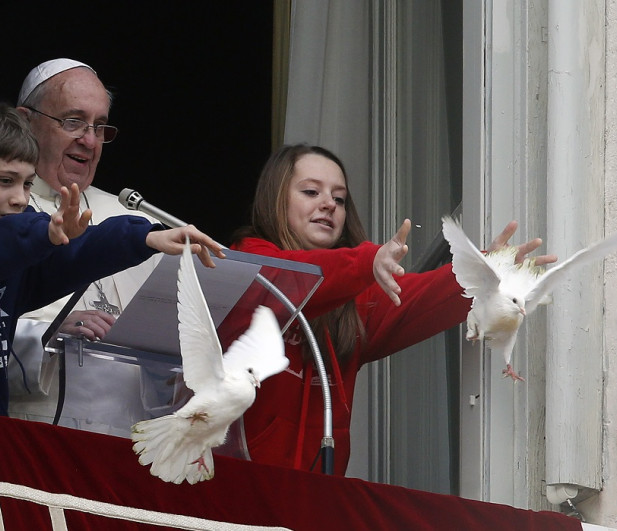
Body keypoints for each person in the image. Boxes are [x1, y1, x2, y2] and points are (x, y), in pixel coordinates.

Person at [229, 143, 557, 476]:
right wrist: (366, 261)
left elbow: (425, 296)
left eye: (339, 198)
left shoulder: (354, 303)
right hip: (231, 495)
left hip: (310, 500)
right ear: (275, 200)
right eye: (311, 191)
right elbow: (283, 276)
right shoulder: (244, 265)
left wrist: (489, 273)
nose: (328, 204)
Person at [0, 99, 223, 417]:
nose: (20, 199)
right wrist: (46, 234)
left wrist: (146, 238)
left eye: (27, 184)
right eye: (5, 181)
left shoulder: (17, 266)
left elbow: (79, 254)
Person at [6, 59, 170, 431]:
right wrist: (52, 333)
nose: (90, 140)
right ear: (25, 120)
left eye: (99, 126)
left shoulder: (135, 221)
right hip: (32, 431)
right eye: (73, 121)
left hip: (129, 442)